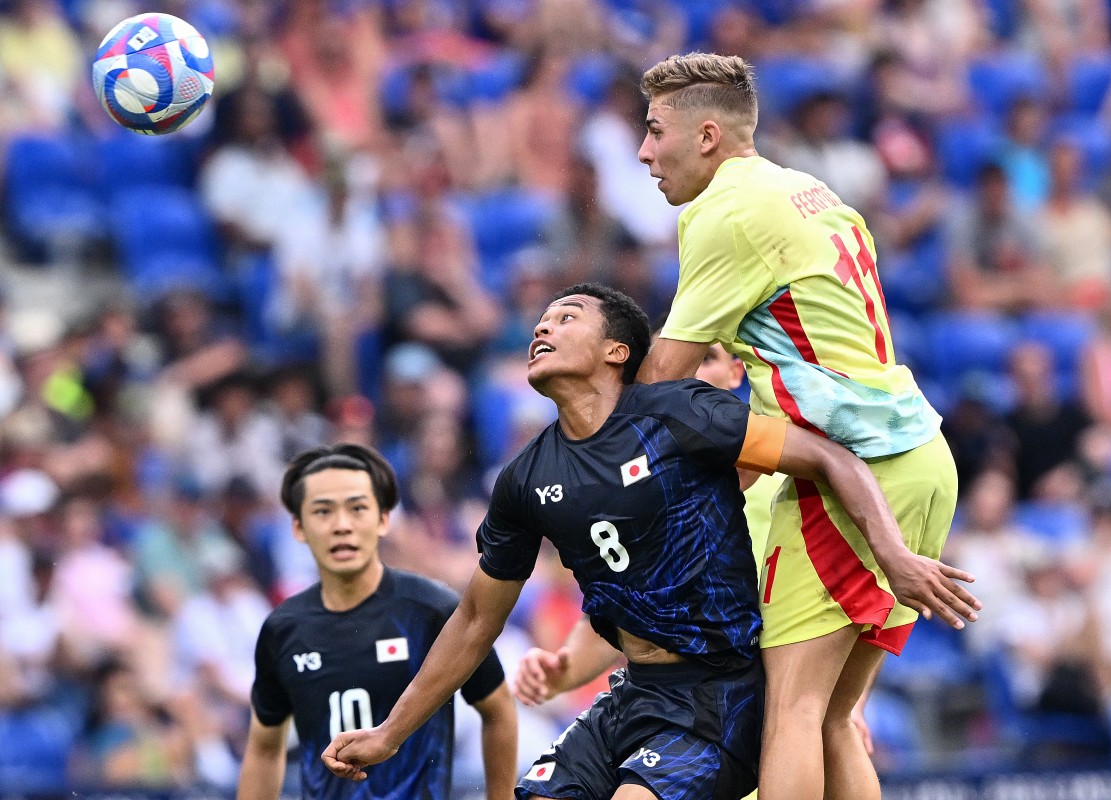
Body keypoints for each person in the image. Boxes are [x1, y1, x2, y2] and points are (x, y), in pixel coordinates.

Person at [321, 284, 977, 800]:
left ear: (616, 352)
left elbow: (832, 459)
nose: (543, 328)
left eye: (568, 316)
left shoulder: (679, 415)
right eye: (541, 321)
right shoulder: (525, 479)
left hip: (720, 697)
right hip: (632, 696)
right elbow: (472, 620)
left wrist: (893, 554)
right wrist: (389, 733)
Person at [635, 53, 976, 800]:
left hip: (857, 467)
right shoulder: (809, 189)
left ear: (708, 136)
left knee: (790, 708)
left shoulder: (723, 210)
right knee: (833, 715)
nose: (643, 150)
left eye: (656, 130)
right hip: (919, 456)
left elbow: (664, 375)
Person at [236, 443, 517, 800]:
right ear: (298, 527)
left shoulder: (433, 610)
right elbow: (264, 749)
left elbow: (498, 710)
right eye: (323, 511)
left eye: (357, 508)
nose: (342, 525)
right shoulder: (282, 628)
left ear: (384, 518)